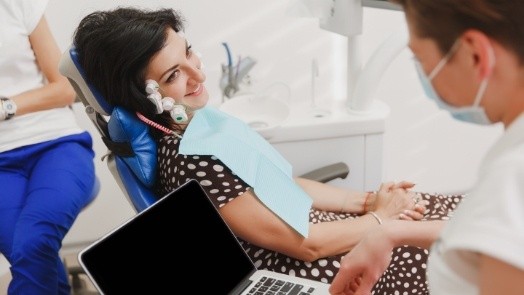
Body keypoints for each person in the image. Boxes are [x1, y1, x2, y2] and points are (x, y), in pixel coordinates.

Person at [72, 7, 462, 294]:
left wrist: (366, 201)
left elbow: (282, 183)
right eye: (174, 75)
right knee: (458, 246)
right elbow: (306, 247)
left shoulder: (198, 123)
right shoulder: (190, 159)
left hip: (323, 233)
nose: (198, 74)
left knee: (445, 208)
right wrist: (381, 221)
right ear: (143, 95)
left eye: (188, 53)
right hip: (307, 266)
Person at [329, 1, 524, 295]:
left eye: (420, 58)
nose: (423, 74)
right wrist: (390, 232)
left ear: (475, 54)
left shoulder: (510, 177)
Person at [0, 0, 97, 294]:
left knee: (32, 242)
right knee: (28, 251)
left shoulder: (16, 5)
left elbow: (66, 88)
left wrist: (7, 107)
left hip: (56, 144)